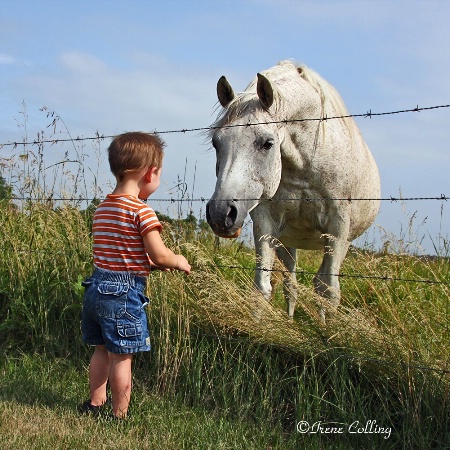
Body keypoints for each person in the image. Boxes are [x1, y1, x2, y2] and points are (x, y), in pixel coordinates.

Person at [79, 131, 191, 419]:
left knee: (101, 350)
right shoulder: (142, 212)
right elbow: (160, 253)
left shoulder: (102, 208)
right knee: (122, 357)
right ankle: (119, 415)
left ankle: (94, 403)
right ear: (151, 172)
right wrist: (176, 260)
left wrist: (148, 265)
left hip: (96, 286)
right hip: (122, 293)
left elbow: (119, 252)